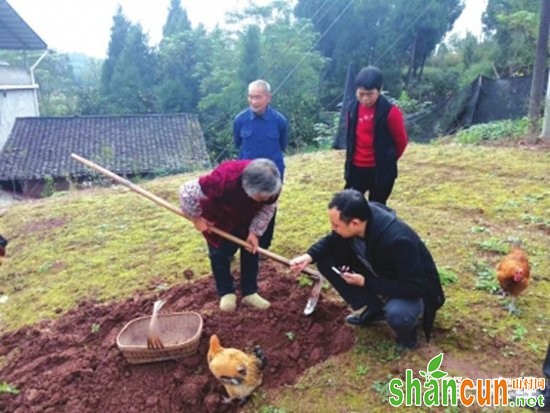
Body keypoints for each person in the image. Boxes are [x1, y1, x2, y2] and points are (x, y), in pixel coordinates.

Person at [290, 189, 445, 349]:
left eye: (336, 225)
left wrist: (366, 282)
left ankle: (408, 336)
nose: (333, 228)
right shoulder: (361, 216)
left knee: (397, 313)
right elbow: (333, 239)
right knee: (325, 260)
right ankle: (375, 309)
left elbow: (415, 286)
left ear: (355, 223)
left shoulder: (398, 241)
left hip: (414, 289)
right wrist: (309, 256)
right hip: (380, 270)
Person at [179, 158, 281, 312]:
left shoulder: (272, 186)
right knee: (219, 254)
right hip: (219, 219)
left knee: (250, 250)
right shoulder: (224, 178)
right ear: (248, 188)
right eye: (261, 198)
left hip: (247, 218)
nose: (266, 200)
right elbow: (186, 192)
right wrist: (197, 218)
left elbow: (268, 209)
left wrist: (254, 232)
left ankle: (249, 292)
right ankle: (226, 292)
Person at [233, 79, 288, 250]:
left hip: (273, 175)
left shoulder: (280, 121)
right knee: (244, 208)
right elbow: (237, 144)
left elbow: (283, 145)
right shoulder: (240, 120)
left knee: (268, 208)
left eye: (258, 97)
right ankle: (243, 242)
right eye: (250, 97)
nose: (254, 101)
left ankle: (264, 246)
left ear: (268, 98)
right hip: (248, 176)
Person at [343, 66, 408, 205]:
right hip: (356, 169)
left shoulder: (391, 112)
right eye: (361, 94)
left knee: (377, 208)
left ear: (380, 89)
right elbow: (351, 138)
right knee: (348, 206)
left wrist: (388, 160)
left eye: (370, 94)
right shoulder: (351, 110)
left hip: (380, 171)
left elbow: (401, 141)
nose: (365, 98)